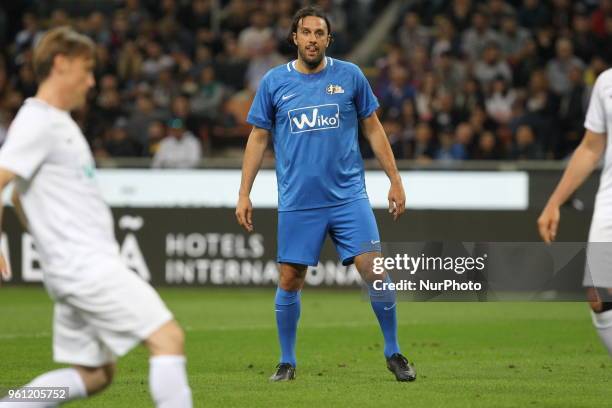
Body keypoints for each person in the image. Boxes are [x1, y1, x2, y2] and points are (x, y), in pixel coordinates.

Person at [0, 27, 192, 406]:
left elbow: (19, 195)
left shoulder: (57, 122)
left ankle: (12, 403)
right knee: (168, 338)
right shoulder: (39, 121)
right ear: (60, 64)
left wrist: (48, 238)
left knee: (94, 376)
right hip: (86, 266)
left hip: (74, 266)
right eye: (86, 70)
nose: (91, 82)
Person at [235, 6, 416, 382]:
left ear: (327, 39)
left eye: (320, 33)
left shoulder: (350, 76)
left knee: (375, 270)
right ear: (295, 38)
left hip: (348, 197)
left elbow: (374, 129)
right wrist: (244, 193)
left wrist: (395, 180)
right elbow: (257, 137)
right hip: (299, 201)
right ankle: (287, 362)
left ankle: (394, 351)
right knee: (289, 279)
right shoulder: (273, 82)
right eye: (306, 32)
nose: (312, 39)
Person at [537, 67, 612, 356]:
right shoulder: (605, 83)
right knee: (598, 296)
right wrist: (554, 202)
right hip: (609, 201)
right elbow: (591, 147)